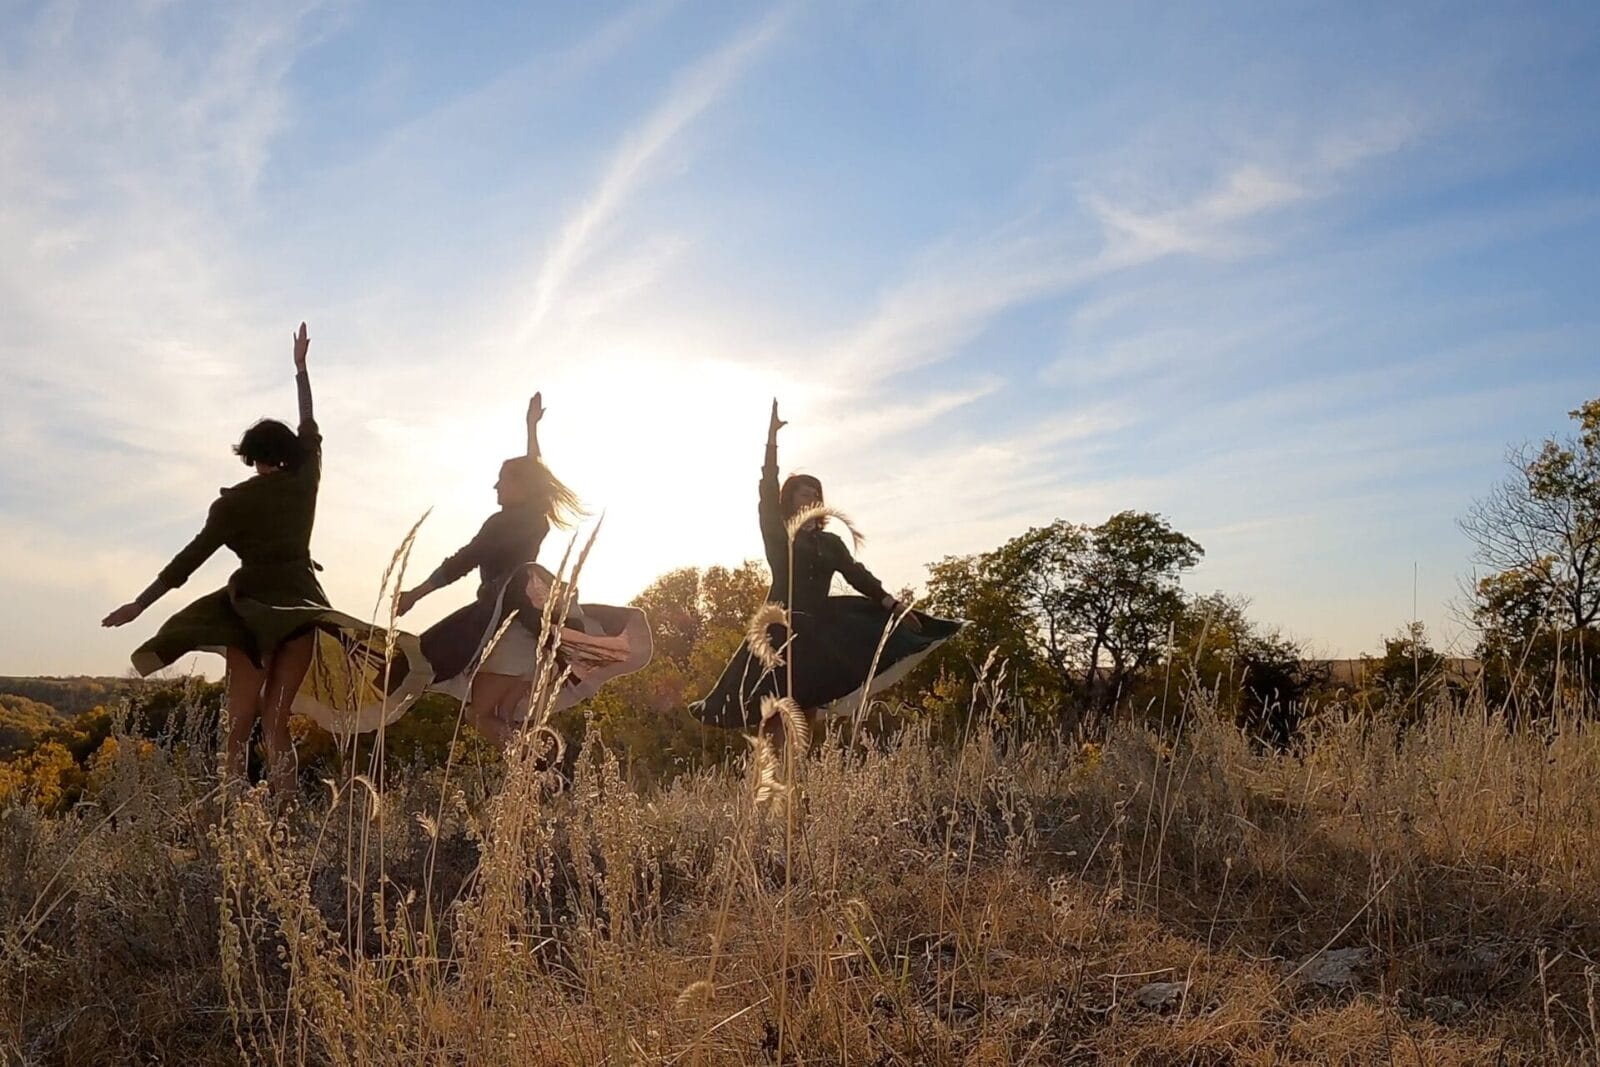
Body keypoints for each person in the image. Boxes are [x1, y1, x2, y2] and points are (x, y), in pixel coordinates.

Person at [103, 324, 430, 792]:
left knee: (237, 726)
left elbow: (186, 562)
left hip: (251, 614)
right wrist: (301, 370)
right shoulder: (305, 484)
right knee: (276, 722)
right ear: (291, 454)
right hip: (299, 607)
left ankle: (236, 815)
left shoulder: (234, 504)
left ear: (254, 456)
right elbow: (311, 430)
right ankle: (285, 816)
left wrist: (140, 603)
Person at [690, 400, 961, 734]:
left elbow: (858, 576)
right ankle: (772, 775)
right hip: (778, 627)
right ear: (790, 499)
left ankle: (801, 776)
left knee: (809, 711)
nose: (812, 499)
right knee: (773, 711)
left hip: (820, 631)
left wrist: (895, 606)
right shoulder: (779, 536)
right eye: (805, 494)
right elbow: (767, 490)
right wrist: (771, 442)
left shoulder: (831, 543)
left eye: (816, 495)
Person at [397, 395, 651, 744]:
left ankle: (544, 779)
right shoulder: (534, 517)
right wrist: (531, 428)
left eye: (502, 479)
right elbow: (534, 471)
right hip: (528, 629)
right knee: (501, 719)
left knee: (482, 715)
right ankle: (540, 783)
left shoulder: (501, 524)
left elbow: (461, 562)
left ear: (519, 487)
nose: (496, 486)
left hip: (508, 629)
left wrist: (415, 594)